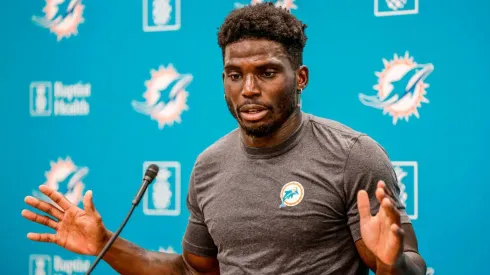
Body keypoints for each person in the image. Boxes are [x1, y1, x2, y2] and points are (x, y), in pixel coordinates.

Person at [21, 3, 427, 275]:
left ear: (300, 79)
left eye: (267, 72)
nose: (248, 88)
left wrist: (391, 265)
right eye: (236, 75)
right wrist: (105, 243)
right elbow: (192, 270)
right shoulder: (208, 166)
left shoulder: (353, 155)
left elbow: (411, 263)